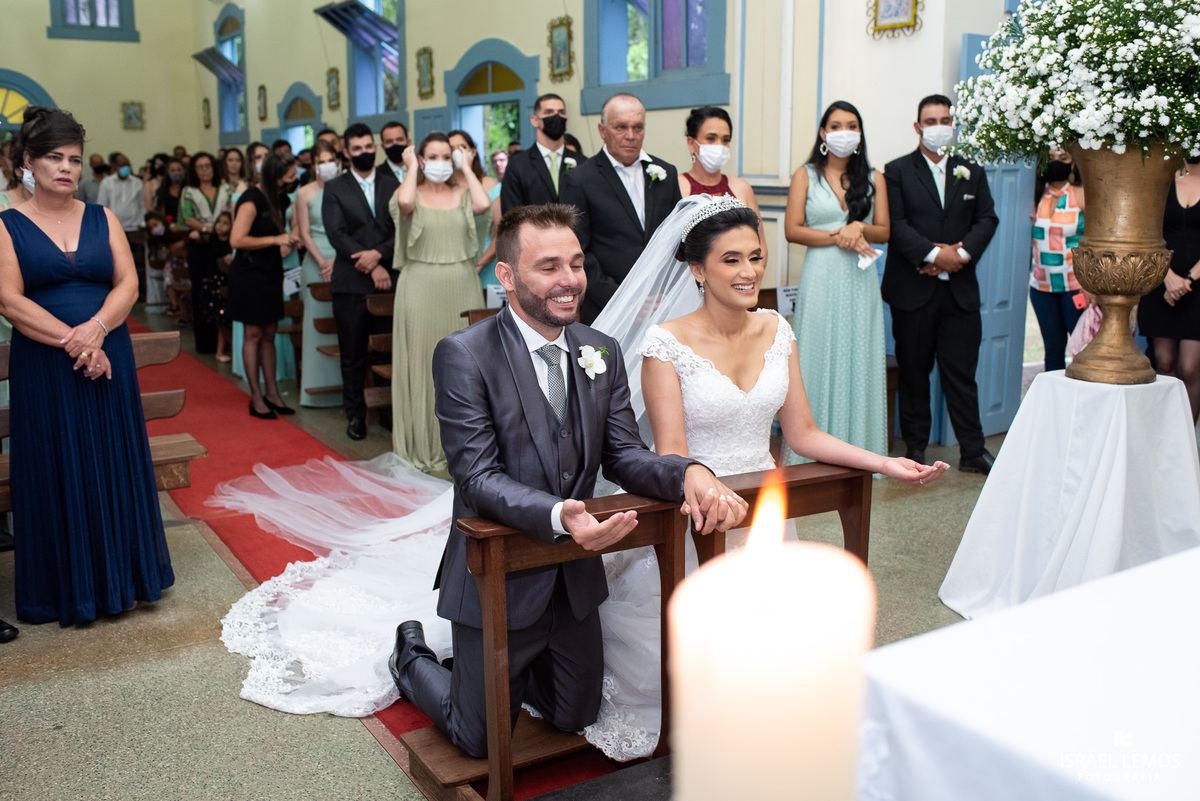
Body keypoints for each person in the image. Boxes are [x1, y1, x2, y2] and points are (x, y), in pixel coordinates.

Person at [584, 194, 947, 760]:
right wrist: (707, 489)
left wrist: (883, 462)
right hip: (699, 510)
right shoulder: (666, 345)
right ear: (697, 269)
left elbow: (803, 434)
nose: (749, 271)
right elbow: (673, 454)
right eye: (731, 259)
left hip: (766, 516)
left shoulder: (777, 329)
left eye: (755, 256)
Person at [388, 203, 745, 759]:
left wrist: (689, 473)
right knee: (477, 738)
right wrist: (561, 515)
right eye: (549, 266)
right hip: (497, 574)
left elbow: (624, 454)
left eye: (576, 264)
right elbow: (477, 477)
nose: (569, 281)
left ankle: (502, 673)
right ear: (506, 276)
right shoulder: (464, 355)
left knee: (575, 714)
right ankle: (413, 658)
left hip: (573, 579)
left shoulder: (599, 350)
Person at [0, 106, 174, 626]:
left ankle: (128, 578)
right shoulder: (7, 225)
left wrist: (98, 330)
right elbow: (8, 300)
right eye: (53, 157)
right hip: (49, 368)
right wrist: (76, 343)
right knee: (58, 469)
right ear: (27, 164)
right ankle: (63, 590)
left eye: (74, 159)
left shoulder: (103, 217)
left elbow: (128, 285)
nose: (66, 168)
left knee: (112, 463)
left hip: (108, 361)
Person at [882, 94, 999, 473]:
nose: (938, 127)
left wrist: (958, 257)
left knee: (962, 375)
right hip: (913, 291)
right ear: (917, 127)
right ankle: (914, 451)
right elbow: (896, 225)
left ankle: (973, 450)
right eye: (930, 121)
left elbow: (987, 219)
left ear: (953, 123)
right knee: (914, 373)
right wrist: (934, 256)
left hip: (960, 293)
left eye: (945, 119)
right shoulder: (896, 171)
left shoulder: (972, 170)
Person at [782, 101, 890, 461]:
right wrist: (838, 235)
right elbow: (792, 230)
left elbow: (885, 231)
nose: (844, 132)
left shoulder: (875, 177)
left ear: (859, 134)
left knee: (859, 353)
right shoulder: (805, 175)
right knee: (817, 352)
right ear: (823, 133)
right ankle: (810, 449)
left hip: (860, 279)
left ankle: (860, 448)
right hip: (822, 275)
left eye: (852, 126)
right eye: (836, 125)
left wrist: (859, 227)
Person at [390, 133, 491, 473]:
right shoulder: (410, 192)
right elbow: (404, 204)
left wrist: (466, 168)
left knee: (466, 365)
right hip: (419, 287)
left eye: (446, 156)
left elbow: (483, 205)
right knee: (423, 363)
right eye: (431, 156)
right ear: (419, 159)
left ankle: (466, 448)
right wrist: (409, 170)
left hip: (462, 283)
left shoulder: (463, 193)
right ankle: (423, 446)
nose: (440, 163)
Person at [559, 92, 683, 323]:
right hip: (608, 308)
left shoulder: (666, 173)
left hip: (663, 305)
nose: (630, 136)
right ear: (602, 130)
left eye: (638, 128)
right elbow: (578, 253)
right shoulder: (579, 180)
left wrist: (671, 291)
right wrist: (624, 301)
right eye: (621, 127)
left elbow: (676, 239)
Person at [323, 123, 400, 440]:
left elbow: (402, 229)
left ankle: (387, 414)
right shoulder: (335, 187)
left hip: (388, 278)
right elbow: (336, 234)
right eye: (357, 149)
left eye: (369, 146)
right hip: (351, 282)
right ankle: (355, 416)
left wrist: (380, 256)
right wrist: (369, 264)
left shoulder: (391, 181)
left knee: (387, 352)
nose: (365, 152)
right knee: (353, 354)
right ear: (346, 152)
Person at [228, 152, 301, 419]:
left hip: (270, 272)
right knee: (254, 335)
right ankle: (256, 397)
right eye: (290, 175)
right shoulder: (251, 199)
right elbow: (236, 240)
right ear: (274, 176)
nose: (294, 179)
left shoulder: (281, 198)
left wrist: (289, 240)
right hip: (249, 274)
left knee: (270, 332)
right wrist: (276, 239)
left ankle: (273, 392)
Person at [1138, 157, 1200, 422]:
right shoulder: (1161, 180)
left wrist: (1188, 278)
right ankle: (1163, 441)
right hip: (1161, 282)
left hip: (1196, 287)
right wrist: (1168, 277)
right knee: (1163, 362)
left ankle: (1184, 449)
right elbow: (1145, 232)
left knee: (1190, 366)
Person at [292, 140, 344, 407]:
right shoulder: (305, 192)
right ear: (313, 166)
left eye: (329, 160)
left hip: (344, 257)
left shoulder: (345, 187)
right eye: (320, 161)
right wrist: (323, 261)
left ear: (338, 161)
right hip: (315, 260)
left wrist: (337, 259)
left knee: (340, 323)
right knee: (316, 321)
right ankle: (315, 389)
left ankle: (341, 387)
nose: (325, 166)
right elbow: (303, 232)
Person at [1029, 147, 1087, 372]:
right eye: (1051, 158)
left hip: (1075, 285)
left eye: (1063, 158)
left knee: (1081, 349)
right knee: (1052, 349)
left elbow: (1095, 240)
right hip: (1041, 287)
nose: (1056, 163)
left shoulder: (1081, 194)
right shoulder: (1035, 194)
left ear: (1073, 163)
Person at [677, 107, 763, 238]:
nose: (719, 146)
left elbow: (759, 242)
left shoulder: (742, 188)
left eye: (725, 140)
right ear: (691, 143)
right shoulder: (678, 185)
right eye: (711, 138)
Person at [500, 93, 582, 215]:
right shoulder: (518, 165)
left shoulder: (582, 162)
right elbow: (511, 215)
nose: (556, 116)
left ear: (566, 121)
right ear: (535, 120)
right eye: (549, 112)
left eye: (561, 112)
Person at [179, 151, 226, 355]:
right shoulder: (189, 191)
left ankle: (225, 342)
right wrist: (208, 229)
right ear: (194, 170)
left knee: (222, 291)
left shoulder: (225, 188)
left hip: (222, 243)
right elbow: (187, 217)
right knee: (202, 292)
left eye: (208, 165)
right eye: (200, 166)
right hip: (200, 245)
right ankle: (206, 343)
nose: (205, 170)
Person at [448, 130, 502, 289]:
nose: (457, 152)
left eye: (462, 147)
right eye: (451, 149)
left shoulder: (492, 185)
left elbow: (500, 235)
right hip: (452, 267)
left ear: (473, 152)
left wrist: (478, 265)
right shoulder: (443, 189)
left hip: (487, 264)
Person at [96, 153, 144, 236]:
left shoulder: (137, 183)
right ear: (115, 166)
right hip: (114, 229)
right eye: (122, 165)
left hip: (134, 228)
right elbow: (101, 206)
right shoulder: (107, 182)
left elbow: (141, 205)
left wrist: (142, 223)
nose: (126, 167)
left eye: (127, 164)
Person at [215, 146, 250, 213]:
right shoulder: (219, 184)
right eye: (230, 160)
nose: (234, 164)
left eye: (238, 160)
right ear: (225, 162)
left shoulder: (247, 183)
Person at [153, 157, 186, 224]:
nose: (176, 173)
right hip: (169, 225)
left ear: (184, 171)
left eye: (179, 170)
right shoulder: (162, 191)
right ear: (168, 172)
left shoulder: (190, 190)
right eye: (172, 170)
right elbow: (161, 214)